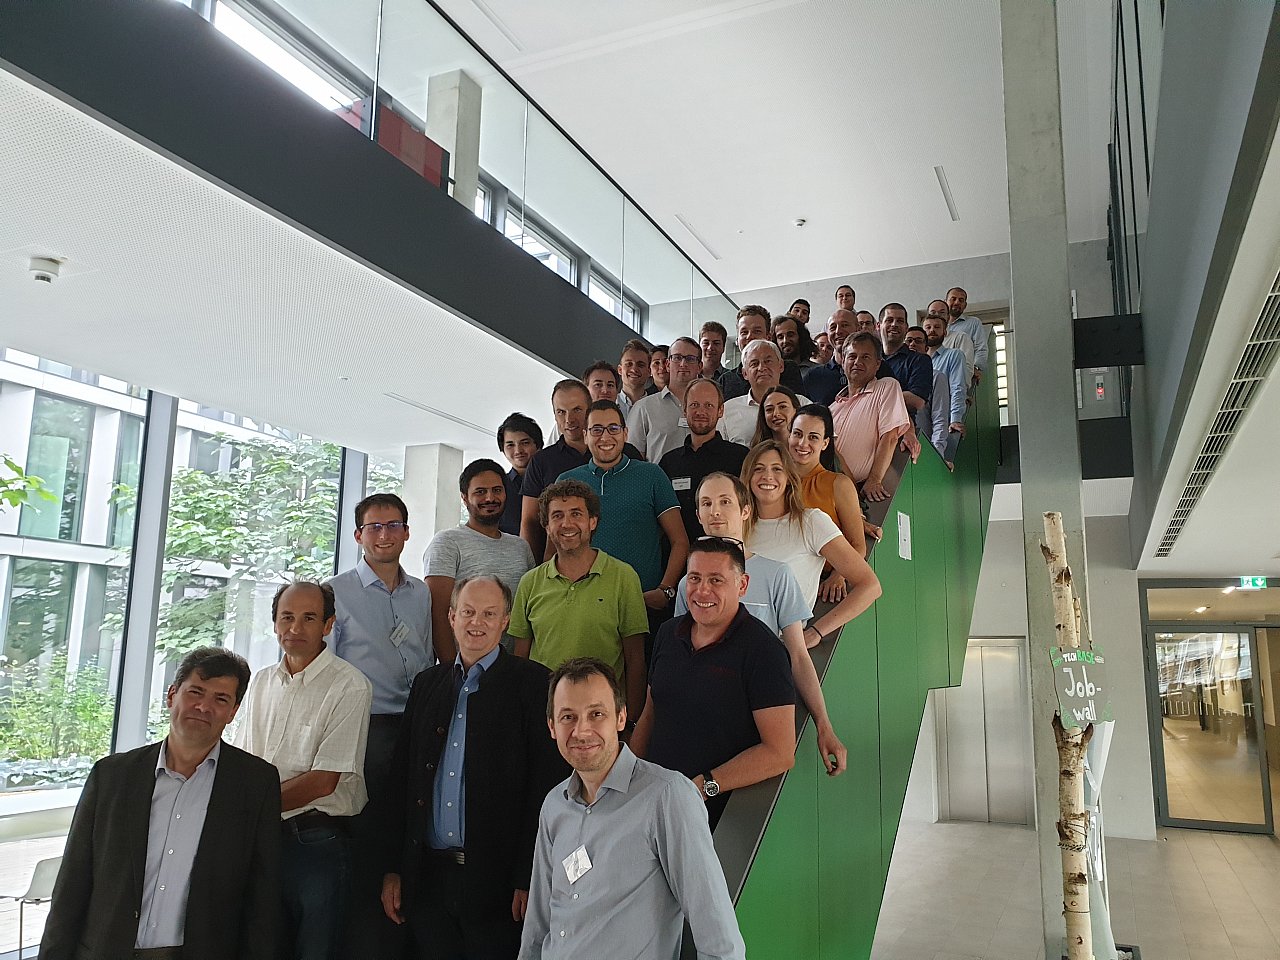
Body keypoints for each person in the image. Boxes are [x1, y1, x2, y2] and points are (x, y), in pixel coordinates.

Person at [40, 647, 281, 960]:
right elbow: (73, 880)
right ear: (172, 695)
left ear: (233, 712)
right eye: (195, 692)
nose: (204, 707)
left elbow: (262, 895)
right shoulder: (112, 776)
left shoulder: (256, 783)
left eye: (220, 699)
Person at [382, 576, 568, 960]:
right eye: (467, 612)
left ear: (506, 622)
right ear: (451, 617)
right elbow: (402, 779)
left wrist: (528, 876)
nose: (476, 622)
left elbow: (545, 789)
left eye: (488, 614)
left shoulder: (535, 684)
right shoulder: (427, 684)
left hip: (499, 886)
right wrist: (393, 868)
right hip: (428, 878)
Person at [520, 658, 746, 960]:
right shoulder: (554, 805)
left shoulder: (667, 797)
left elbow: (719, 939)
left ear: (621, 717)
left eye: (596, 714)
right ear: (552, 727)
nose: (581, 731)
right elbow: (537, 928)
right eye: (568, 717)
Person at [673, 472, 847, 777]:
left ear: (745, 510)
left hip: (758, 720)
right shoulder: (689, 584)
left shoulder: (777, 575)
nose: (715, 511)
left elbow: (797, 655)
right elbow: (678, 658)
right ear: (698, 515)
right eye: (706, 503)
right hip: (701, 724)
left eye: (725, 502)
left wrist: (824, 723)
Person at [233, 581, 374, 960]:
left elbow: (323, 781)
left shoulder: (350, 686)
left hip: (314, 844)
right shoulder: (260, 681)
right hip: (260, 840)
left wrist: (250, 809)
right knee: (259, 948)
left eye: (309, 618)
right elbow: (243, 760)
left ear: (328, 625)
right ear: (274, 624)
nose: (295, 628)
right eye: (287, 617)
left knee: (315, 951)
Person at [328, 492, 434, 958]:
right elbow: (328, 667)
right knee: (372, 831)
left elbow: (426, 652)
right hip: (367, 727)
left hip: (418, 723)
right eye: (375, 527)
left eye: (393, 526)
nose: (385, 535)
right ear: (359, 535)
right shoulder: (336, 592)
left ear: (407, 532)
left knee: (414, 824)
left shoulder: (422, 592)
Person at [632, 538, 796, 830]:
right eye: (694, 578)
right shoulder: (668, 633)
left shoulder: (764, 651)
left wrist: (704, 786)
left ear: (742, 585)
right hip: (652, 803)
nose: (702, 590)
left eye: (716, 580)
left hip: (717, 815)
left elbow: (780, 753)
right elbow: (650, 712)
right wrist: (627, 778)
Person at [509, 479, 648, 722]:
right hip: (543, 716)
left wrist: (631, 721)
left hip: (602, 718)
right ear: (546, 525)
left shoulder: (624, 577)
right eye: (557, 516)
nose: (567, 524)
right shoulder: (530, 583)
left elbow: (635, 659)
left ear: (592, 521)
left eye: (576, 514)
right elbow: (520, 660)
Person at [560, 400, 689, 649]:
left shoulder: (652, 475)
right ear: (585, 435)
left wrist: (665, 591)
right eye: (596, 429)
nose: (605, 436)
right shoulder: (567, 481)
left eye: (613, 428)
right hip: (582, 607)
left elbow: (680, 541)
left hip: (642, 606)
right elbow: (554, 548)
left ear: (625, 433)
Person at [742, 441, 882, 626]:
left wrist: (816, 633)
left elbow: (870, 586)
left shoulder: (811, 522)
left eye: (777, 469)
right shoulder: (738, 526)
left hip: (781, 640)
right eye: (758, 469)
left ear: (789, 477)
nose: (767, 476)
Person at [425, 458, 536, 656]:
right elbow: (438, 614)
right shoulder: (447, 542)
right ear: (464, 498)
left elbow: (527, 612)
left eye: (497, 490)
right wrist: (453, 669)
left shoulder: (521, 547)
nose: (490, 498)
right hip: (465, 665)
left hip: (512, 666)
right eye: (480, 492)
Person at [520, 380, 642, 559]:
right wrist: (535, 567)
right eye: (561, 412)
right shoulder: (541, 461)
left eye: (577, 409)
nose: (569, 419)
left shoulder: (625, 451)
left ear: (589, 409)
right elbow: (530, 522)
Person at [658, 377, 749, 544]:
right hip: (678, 555)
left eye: (708, 405)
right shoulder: (669, 462)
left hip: (727, 553)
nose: (701, 412)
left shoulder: (740, 457)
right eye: (694, 405)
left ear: (720, 411)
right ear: (684, 410)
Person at [788, 403, 871, 571]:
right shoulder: (775, 480)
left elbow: (858, 545)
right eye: (797, 434)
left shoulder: (839, 484)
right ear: (789, 436)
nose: (803, 443)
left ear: (825, 443)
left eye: (813, 437)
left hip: (823, 579)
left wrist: (838, 576)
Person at [830, 333, 912, 501]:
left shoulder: (886, 387)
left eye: (865, 357)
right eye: (852, 356)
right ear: (843, 361)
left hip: (861, 492)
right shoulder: (831, 408)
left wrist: (874, 480)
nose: (857, 362)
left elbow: (890, 437)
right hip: (828, 492)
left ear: (877, 364)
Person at [719, 340, 810, 446]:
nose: (761, 368)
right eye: (754, 364)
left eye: (768, 361)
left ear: (781, 366)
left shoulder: (803, 404)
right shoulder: (727, 411)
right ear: (745, 373)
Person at [625, 336, 702, 462]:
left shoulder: (710, 408)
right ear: (667, 364)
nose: (683, 364)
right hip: (658, 475)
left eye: (690, 359)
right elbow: (633, 458)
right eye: (677, 358)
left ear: (700, 366)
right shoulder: (643, 408)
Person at [719, 305, 805, 400]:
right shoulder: (726, 381)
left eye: (757, 331)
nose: (749, 336)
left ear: (768, 337)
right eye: (744, 332)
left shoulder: (788, 370)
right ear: (737, 339)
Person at [921, 313, 969, 461]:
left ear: (945, 332)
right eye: (928, 327)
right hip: (923, 422)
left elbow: (957, 387)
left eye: (937, 327)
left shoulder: (954, 355)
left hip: (943, 422)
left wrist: (956, 419)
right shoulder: (917, 362)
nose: (932, 330)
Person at [542, 361, 622, 444]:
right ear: (585, 389)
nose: (605, 390)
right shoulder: (567, 424)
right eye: (598, 385)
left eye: (610, 385)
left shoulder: (624, 418)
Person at [906, 325, 953, 460]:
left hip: (924, 448)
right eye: (909, 341)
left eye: (918, 341)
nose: (912, 344)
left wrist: (937, 454)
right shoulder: (897, 372)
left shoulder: (936, 377)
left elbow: (940, 418)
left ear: (926, 348)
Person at [877, 302, 933, 413]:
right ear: (878, 326)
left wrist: (871, 398)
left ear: (906, 328)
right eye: (889, 320)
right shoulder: (869, 358)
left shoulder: (920, 360)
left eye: (900, 321)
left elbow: (917, 401)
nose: (894, 324)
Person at [497, 413, 544, 537]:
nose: (518, 451)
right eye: (510, 445)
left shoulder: (553, 480)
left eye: (525, 443)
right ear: (503, 449)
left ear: (538, 445)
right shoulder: (498, 487)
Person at [802, 309, 855, 405]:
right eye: (833, 327)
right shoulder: (813, 377)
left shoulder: (875, 369)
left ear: (858, 329)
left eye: (844, 325)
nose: (838, 331)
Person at [946, 286, 991, 383]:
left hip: (964, 375)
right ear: (945, 302)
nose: (957, 302)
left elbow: (981, 348)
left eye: (961, 300)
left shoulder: (973, 323)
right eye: (953, 299)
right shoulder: (937, 326)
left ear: (965, 305)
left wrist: (976, 368)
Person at [927, 298, 975, 385]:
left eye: (942, 313)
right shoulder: (922, 343)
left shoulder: (961, 337)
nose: (937, 315)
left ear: (948, 317)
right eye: (933, 313)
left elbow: (967, 371)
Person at [617, 339, 651, 415]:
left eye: (640, 365)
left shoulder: (657, 407)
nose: (634, 369)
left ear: (649, 372)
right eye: (629, 364)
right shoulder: (609, 404)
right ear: (620, 370)